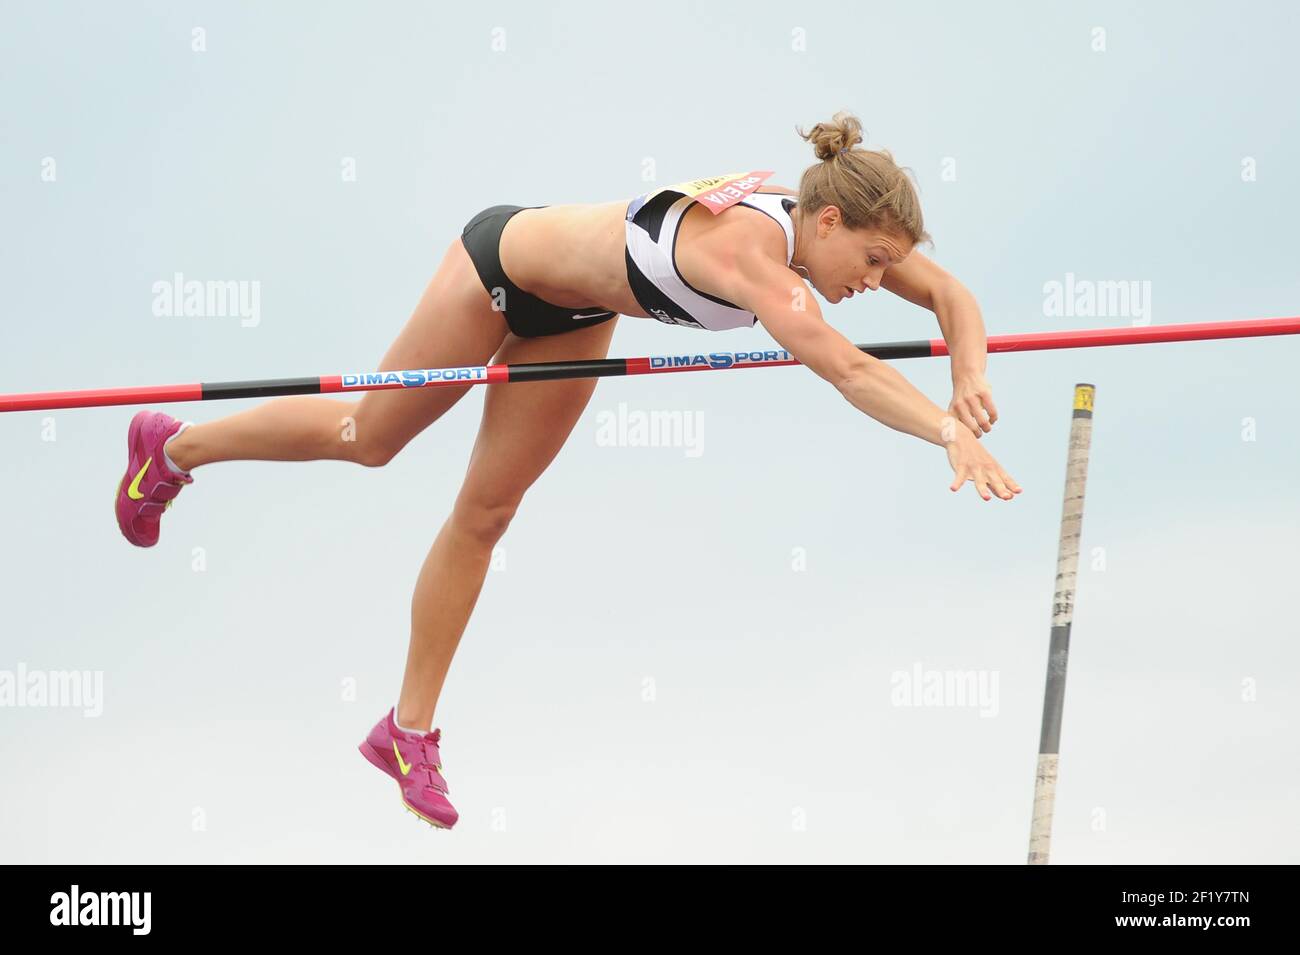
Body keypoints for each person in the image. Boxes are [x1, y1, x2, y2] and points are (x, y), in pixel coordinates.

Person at [113, 110, 1021, 829]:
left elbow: (950, 294)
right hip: (499, 269)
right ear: (829, 222)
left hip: (578, 314)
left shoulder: (817, 239)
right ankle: (174, 447)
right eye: (870, 262)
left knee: (486, 512)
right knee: (370, 434)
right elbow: (847, 368)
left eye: (884, 267)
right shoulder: (760, 259)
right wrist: (947, 431)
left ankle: (406, 731)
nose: (874, 280)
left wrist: (969, 375)